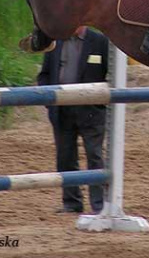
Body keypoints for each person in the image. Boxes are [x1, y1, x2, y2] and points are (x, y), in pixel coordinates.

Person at [37, 26, 109, 214]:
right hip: (61, 110)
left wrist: (101, 103)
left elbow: (110, 75)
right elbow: (44, 74)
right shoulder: (55, 39)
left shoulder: (100, 41)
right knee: (65, 157)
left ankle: (99, 204)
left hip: (91, 111)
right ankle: (71, 202)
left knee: (95, 156)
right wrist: (50, 102)